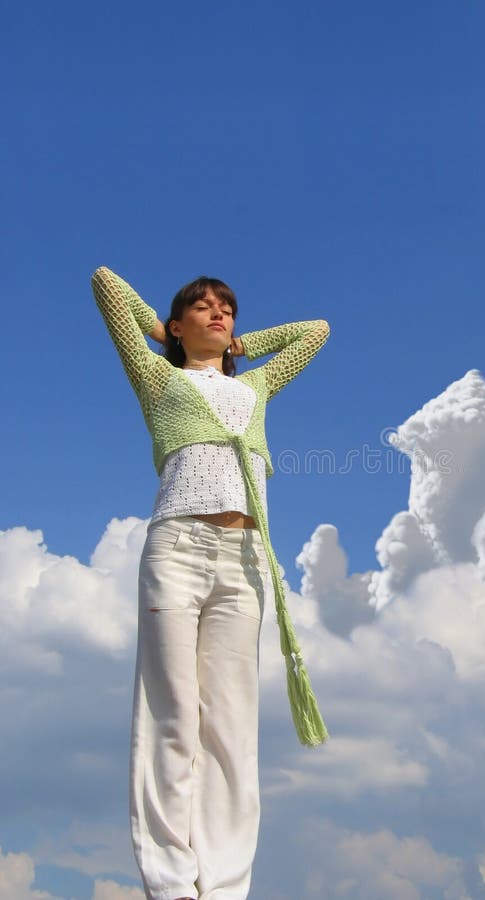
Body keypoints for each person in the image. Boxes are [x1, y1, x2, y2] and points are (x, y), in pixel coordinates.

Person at [91, 266, 330, 900]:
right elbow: (106, 285)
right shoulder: (157, 377)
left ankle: (222, 887)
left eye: (226, 307)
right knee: (172, 718)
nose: (217, 312)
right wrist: (165, 333)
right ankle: (170, 884)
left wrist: (242, 343)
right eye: (201, 307)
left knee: (229, 727)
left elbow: (316, 333)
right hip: (178, 548)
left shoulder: (255, 385)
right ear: (175, 325)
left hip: (246, 559)